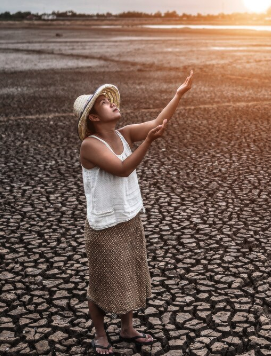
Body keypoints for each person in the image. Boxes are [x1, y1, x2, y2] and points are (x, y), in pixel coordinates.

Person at [73, 71, 194, 355]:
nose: (113, 104)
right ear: (93, 117)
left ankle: (127, 329)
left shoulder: (124, 133)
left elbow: (156, 123)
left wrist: (178, 94)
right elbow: (123, 168)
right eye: (104, 103)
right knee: (101, 283)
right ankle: (101, 335)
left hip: (128, 218)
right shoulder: (90, 145)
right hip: (104, 226)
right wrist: (148, 142)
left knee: (130, 275)